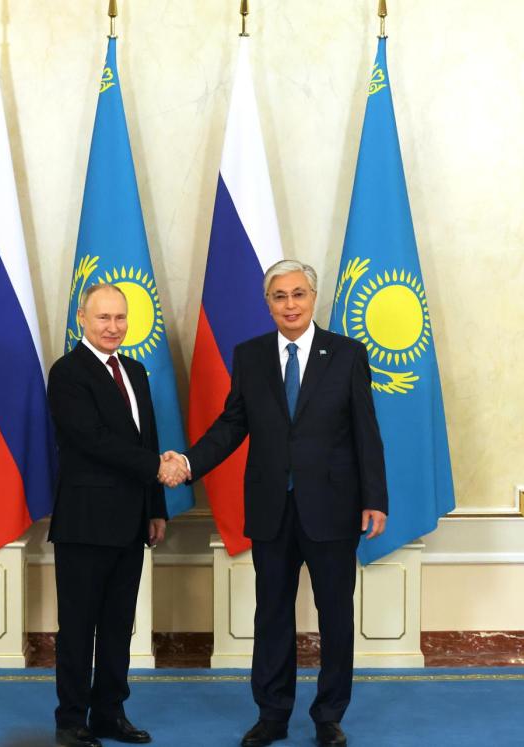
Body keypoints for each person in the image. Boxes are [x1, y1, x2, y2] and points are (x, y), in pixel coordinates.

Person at [165, 259, 388, 747]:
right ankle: (272, 714)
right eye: (279, 296)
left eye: (298, 294)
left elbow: (365, 430)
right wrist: (189, 462)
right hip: (272, 508)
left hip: (332, 507)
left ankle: (329, 716)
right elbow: (232, 424)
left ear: (313, 298)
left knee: (335, 616)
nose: (290, 304)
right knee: (271, 615)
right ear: (267, 304)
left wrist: (375, 498)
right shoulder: (250, 356)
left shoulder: (347, 354)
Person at [47, 283, 188, 747]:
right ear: (82, 319)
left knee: (117, 627)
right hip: (85, 523)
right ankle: (71, 720)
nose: (113, 327)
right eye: (103, 318)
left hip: (131, 522)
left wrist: (156, 508)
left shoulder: (135, 371)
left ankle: (109, 713)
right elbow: (91, 439)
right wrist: (158, 467)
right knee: (77, 629)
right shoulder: (67, 373)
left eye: (120, 318)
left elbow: (147, 439)